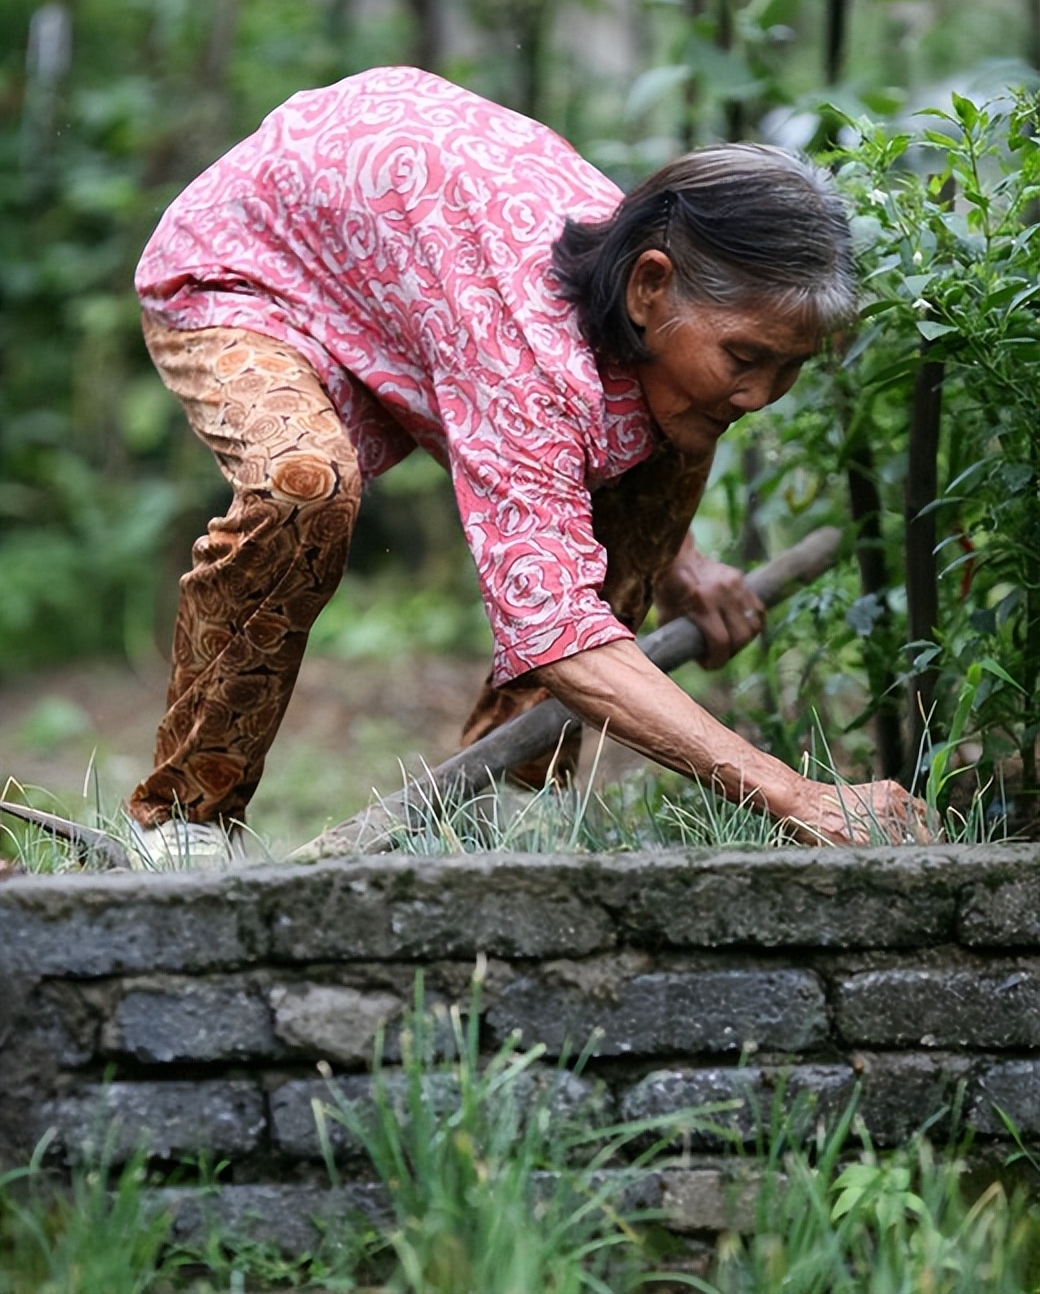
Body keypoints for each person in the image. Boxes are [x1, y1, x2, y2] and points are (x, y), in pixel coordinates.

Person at [124, 65, 927, 862]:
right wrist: (800, 796)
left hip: (401, 275)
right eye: (746, 358)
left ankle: (504, 805)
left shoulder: (643, 302)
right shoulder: (528, 356)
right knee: (303, 487)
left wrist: (675, 556)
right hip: (250, 275)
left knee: (674, 441)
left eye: (790, 369)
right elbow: (557, 633)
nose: (761, 396)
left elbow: (591, 449)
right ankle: (181, 824)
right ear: (650, 286)